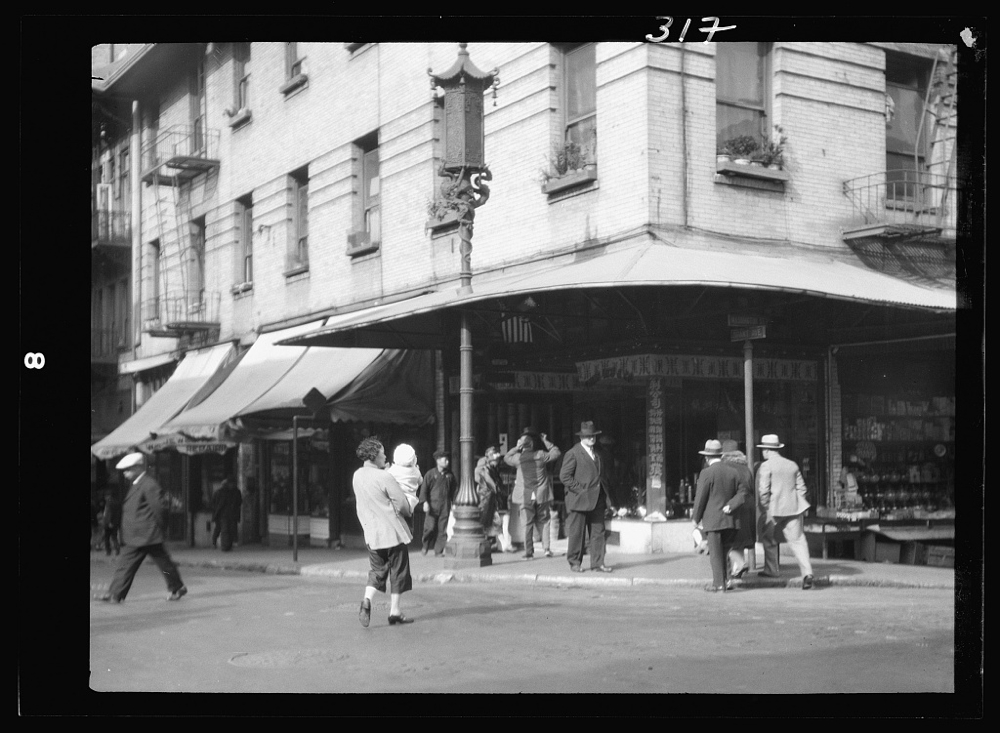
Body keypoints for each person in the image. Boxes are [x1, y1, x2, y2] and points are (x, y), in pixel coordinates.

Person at [93, 453, 187, 603]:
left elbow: (160, 508)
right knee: (157, 563)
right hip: (140, 535)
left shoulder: (148, 484)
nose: (125, 473)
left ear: (138, 467)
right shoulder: (138, 484)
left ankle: (115, 594)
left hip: (146, 535)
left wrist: (160, 528)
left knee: (131, 564)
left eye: (128, 469)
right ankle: (177, 587)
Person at [352, 437, 414, 627]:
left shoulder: (357, 475)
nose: (385, 455)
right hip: (393, 533)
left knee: (377, 571)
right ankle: (395, 611)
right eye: (382, 453)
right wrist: (409, 510)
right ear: (374, 455)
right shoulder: (385, 477)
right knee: (398, 572)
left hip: (372, 534)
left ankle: (366, 600)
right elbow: (402, 504)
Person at [756, 434, 815, 589]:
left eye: (763, 450)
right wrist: (795, 502)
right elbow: (802, 488)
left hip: (773, 510)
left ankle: (772, 570)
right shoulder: (792, 465)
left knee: (768, 539)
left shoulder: (766, 466)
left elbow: (763, 491)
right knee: (798, 541)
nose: (762, 453)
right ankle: (807, 573)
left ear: (767, 450)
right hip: (793, 510)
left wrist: (766, 506)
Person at [692, 439, 751, 592]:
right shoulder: (733, 472)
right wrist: (731, 505)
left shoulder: (706, 473)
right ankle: (725, 581)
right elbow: (743, 492)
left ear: (706, 457)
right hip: (731, 520)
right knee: (725, 551)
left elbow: (700, 498)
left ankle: (718, 584)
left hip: (713, 520)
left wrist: (695, 519)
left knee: (716, 554)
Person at [559, 421, 616, 573]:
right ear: (581, 437)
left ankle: (598, 563)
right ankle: (575, 562)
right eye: (588, 436)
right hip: (579, 500)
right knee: (577, 533)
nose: (592, 438)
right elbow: (564, 476)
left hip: (597, 499)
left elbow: (601, 477)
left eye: (593, 436)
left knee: (598, 532)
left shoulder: (597, 454)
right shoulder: (573, 453)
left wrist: (607, 497)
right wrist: (580, 490)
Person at [504, 428, 561, 559]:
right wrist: (545, 441)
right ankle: (546, 549)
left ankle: (529, 551)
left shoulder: (519, 458)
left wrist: (516, 447)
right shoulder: (541, 455)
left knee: (527, 523)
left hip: (525, 495)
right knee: (545, 521)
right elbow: (556, 452)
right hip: (541, 494)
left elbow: (507, 457)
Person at [721, 439, 757, 579]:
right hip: (748, 508)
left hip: (733, 507)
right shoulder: (746, 468)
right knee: (740, 541)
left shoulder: (726, 467)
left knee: (729, 541)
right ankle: (737, 570)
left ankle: (740, 564)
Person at [418, 449, 456, 556]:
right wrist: (425, 502)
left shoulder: (450, 475)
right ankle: (425, 545)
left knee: (442, 530)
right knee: (429, 528)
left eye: (448, 459)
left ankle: (438, 551)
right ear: (438, 461)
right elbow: (424, 489)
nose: (447, 461)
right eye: (445, 459)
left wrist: (454, 503)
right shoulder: (430, 474)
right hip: (432, 506)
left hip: (445, 506)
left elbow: (454, 491)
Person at [386, 443, 422, 528]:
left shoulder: (393, 470)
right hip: (412, 503)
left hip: (396, 504)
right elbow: (420, 481)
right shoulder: (416, 471)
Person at [475, 446, 504, 552]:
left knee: (492, 521)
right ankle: (490, 544)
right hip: (486, 499)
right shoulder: (486, 470)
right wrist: (498, 489)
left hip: (491, 499)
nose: (497, 462)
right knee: (488, 521)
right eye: (495, 460)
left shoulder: (492, 469)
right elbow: (492, 485)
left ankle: (493, 543)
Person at [211, 478, 243, 552]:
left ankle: (227, 545)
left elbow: (239, 502)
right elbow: (214, 503)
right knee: (224, 530)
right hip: (223, 515)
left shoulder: (234, 492)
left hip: (229, 514)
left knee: (230, 530)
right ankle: (225, 546)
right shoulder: (220, 492)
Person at [100, 488, 121, 556]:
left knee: (107, 538)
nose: (105, 497)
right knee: (114, 537)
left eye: (106, 496)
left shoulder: (109, 503)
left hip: (108, 523)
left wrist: (108, 522)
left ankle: (108, 551)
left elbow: (108, 514)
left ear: (108, 495)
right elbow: (118, 513)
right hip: (115, 523)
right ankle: (117, 549)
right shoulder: (117, 502)